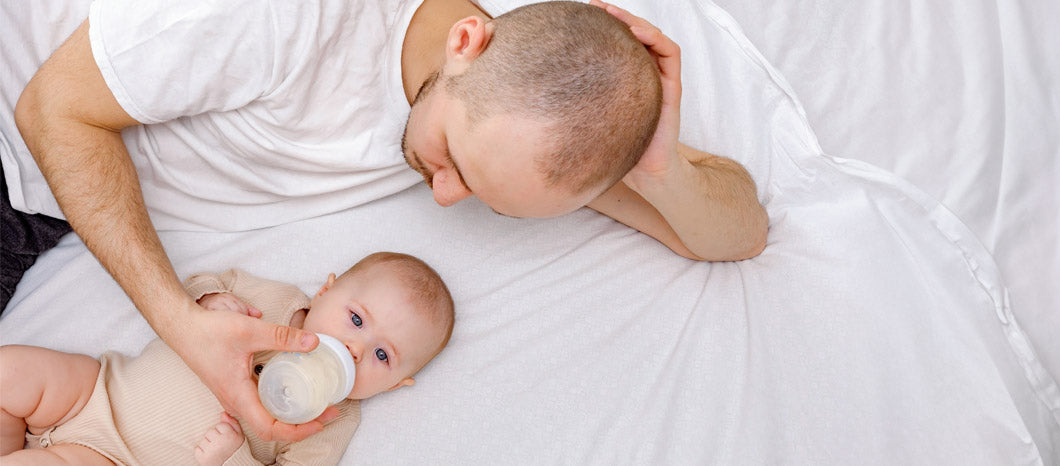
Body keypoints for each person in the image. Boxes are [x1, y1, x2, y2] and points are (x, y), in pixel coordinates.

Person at [4, 0, 767, 443]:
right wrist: (181, 322)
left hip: (48, 210)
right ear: (468, 44)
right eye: (451, 160)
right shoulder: (288, 19)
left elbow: (735, 235)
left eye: (483, 200)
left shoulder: (526, 125)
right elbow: (52, 110)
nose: (443, 195)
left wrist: (658, 166)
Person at [0, 251, 455, 465]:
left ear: (395, 384)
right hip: (95, 388)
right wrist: (210, 300)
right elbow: (197, 284)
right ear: (326, 290)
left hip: (120, 460)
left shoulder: (330, 423)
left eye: (381, 355)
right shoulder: (270, 301)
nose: (354, 349)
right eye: (355, 319)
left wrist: (233, 456)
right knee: (9, 372)